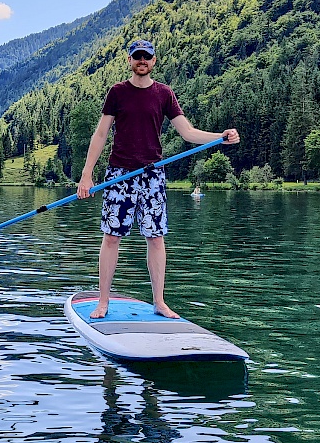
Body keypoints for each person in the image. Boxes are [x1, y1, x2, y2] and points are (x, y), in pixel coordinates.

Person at [76, 39, 239, 319]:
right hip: (119, 174)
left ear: (154, 61)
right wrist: (86, 175)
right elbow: (100, 134)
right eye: (137, 56)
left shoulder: (164, 94)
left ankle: (160, 302)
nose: (142, 60)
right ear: (129, 60)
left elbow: (187, 132)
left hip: (152, 175)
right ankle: (103, 301)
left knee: (156, 238)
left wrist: (219, 138)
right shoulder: (117, 92)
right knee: (112, 237)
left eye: (147, 57)